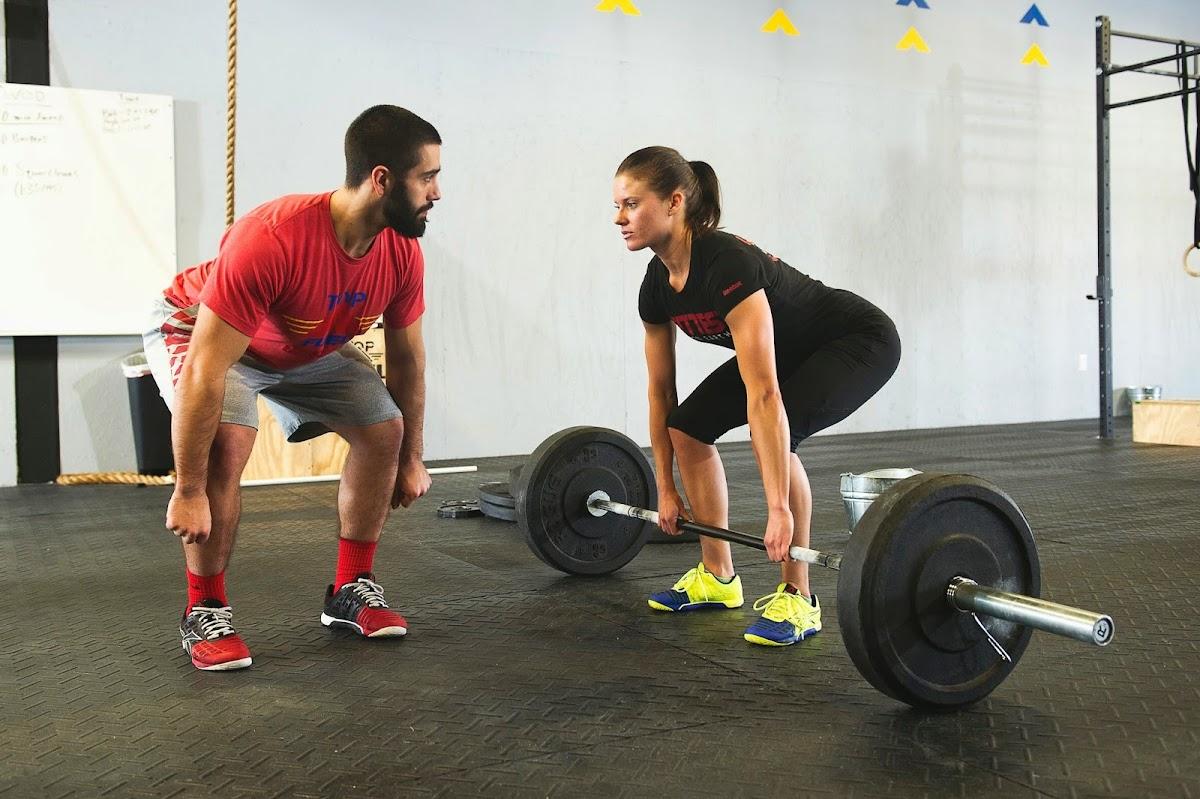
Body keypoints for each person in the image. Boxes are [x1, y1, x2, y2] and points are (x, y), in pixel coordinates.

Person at [143, 105, 442, 670]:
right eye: (427, 177)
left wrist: (412, 456)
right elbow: (208, 370)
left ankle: (351, 590)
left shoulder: (401, 251)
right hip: (205, 332)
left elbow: (407, 359)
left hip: (302, 346)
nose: (437, 192)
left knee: (385, 431)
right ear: (382, 179)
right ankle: (204, 609)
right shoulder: (273, 238)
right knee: (227, 443)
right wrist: (187, 488)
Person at [612, 146, 901, 646]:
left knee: (779, 435)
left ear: (674, 202)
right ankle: (718, 577)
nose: (620, 218)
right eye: (617, 206)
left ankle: (799, 597)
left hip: (854, 341)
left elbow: (764, 395)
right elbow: (661, 392)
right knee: (688, 426)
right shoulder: (656, 287)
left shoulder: (726, 264)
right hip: (789, 352)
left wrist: (777, 510)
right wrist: (663, 485)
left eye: (631, 204)